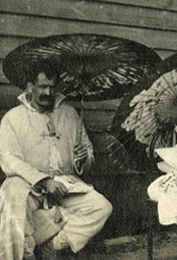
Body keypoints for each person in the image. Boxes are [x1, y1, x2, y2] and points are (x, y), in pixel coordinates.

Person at [0, 61, 112, 259]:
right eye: (43, 86)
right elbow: (9, 159)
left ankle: (54, 245)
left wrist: (82, 159)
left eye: (53, 87)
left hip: (65, 184)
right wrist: (43, 180)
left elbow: (88, 153)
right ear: (30, 87)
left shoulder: (69, 114)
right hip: (30, 186)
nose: (48, 93)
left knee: (102, 207)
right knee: (13, 194)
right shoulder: (13, 118)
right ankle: (24, 255)